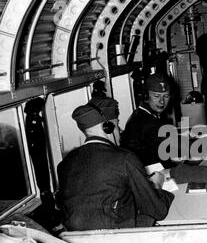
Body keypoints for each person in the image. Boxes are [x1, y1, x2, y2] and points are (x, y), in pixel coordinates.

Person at [56, 97, 174, 231]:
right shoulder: (125, 158)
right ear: (108, 128)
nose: (120, 130)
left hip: (77, 241)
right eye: (117, 125)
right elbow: (157, 211)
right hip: (116, 239)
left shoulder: (65, 163)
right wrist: (157, 185)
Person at [121, 73, 174, 168]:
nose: (162, 102)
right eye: (156, 96)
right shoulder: (146, 121)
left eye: (166, 96)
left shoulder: (143, 113)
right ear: (146, 96)